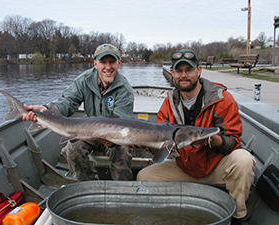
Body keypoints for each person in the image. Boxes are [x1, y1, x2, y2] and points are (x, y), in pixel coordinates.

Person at [136, 49, 256, 224]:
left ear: (199, 70)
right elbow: (161, 142)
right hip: (186, 167)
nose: (184, 75)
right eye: (179, 71)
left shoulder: (222, 99)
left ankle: (238, 217)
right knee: (143, 177)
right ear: (173, 73)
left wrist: (216, 141)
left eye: (189, 70)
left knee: (244, 160)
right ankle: (172, 216)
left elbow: (234, 140)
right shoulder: (169, 103)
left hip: (216, 167)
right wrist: (143, 144)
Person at [23, 43, 134, 181]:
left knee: (122, 151)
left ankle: (122, 189)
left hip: (113, 135)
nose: (108, 67)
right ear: (95, 63)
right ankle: (87, 185)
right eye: (103, 62)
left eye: (112, 62)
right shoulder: (84, 80)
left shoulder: (124, 89)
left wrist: (110, 141)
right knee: (73, 149)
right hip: (87, 132)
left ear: (119, 63)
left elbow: (121, 122)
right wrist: (47, 110)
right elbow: (68, 102)